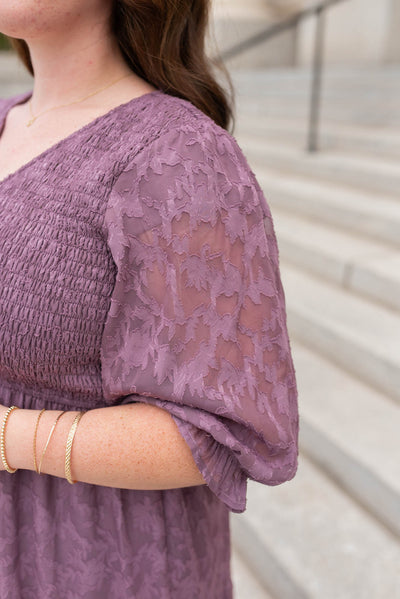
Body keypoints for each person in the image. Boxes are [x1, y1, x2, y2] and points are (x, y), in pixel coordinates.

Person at [0, 1, 299, 597]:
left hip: (100, 563)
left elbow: (216, 431)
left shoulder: (180, 157)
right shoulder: (7, 118)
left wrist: (7, 436)